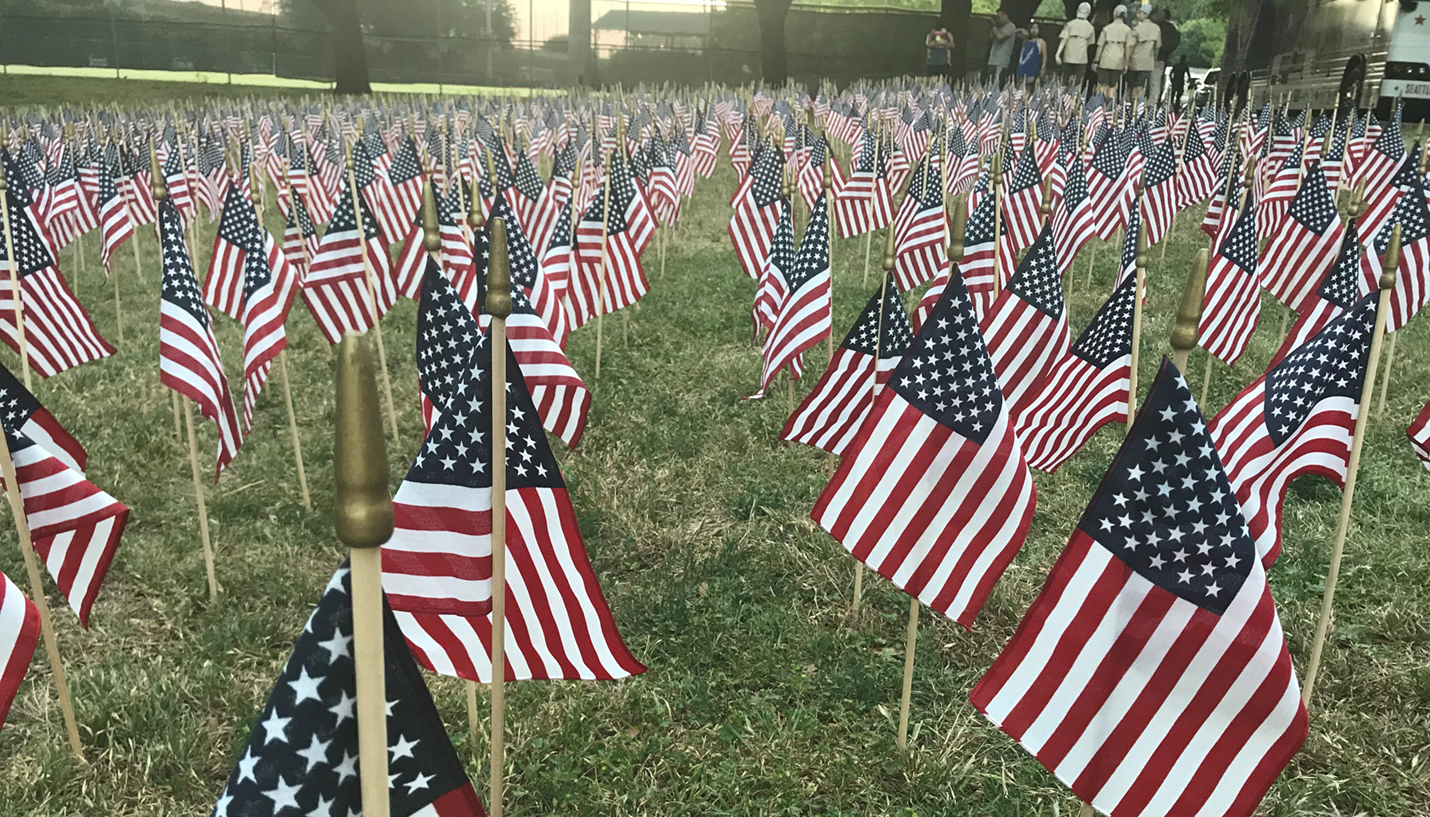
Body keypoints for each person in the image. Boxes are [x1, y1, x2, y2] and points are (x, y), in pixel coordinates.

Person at [1056, 2, 1096, 88]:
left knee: (1064, 82)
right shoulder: (1090, 27)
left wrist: (1057, 54)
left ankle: (1063, 100)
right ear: (1088, 13)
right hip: (1081, 59)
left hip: (1068, 57)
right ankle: (1075, 100)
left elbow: (1064, 39)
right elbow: (1090, 44)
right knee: (1078, 84)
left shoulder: (1070, 24)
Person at [1095, 5, 1132, 97]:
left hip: (1105, 60)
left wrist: (1095, 61)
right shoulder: (1128, 30)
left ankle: (1100, 104)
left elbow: (1100, 46)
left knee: (1102, 84)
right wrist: (1126, 63)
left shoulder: (1107, 28)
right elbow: (1128, 48)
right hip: (1118, 62)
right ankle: (1109, 104)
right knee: (1113, 86)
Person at [1129, 4, 1161, 101]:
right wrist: (1154, 58)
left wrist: (1127, 60)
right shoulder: (1156, 29)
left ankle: (1129, 104)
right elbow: (1158, 46)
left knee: (1130, 85)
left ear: (1145, 14)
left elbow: (1130, 46)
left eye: (1139, 13)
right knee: (1141, 85)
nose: (1138, 15)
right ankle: (1138, 104)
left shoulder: (1136, 29)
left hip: (1134, 61)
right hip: (1147, 62)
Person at [1153, 9, 1181, 105]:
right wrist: (1166, 52)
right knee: (1158, 81)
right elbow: (1175, 42)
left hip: (1150, 57)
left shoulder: (1156, 26)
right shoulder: (1173, 30)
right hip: (1162, 59)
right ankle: (1156, 101)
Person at [986, 9, 1018, 86]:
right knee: (989, 83)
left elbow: (1000, 36)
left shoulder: (1011, 26)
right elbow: (990, 37)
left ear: (1005, 15)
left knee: (995, 84)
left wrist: (994, 26)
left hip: (1001, 61)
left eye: (999, 17)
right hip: (992, 60)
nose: (997, 20)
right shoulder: (998, 28)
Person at [1015, 22, 1047, 88]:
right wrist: (1022, 30)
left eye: (1036, 28)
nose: (1034, 30)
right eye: (1032, 28)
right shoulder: (1025, 39)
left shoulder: (1041, 41)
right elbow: (1014, 32)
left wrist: (1043, 67)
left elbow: (1044, 55)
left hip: (1032, 70)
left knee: (1029, 87)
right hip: (1021, 69)